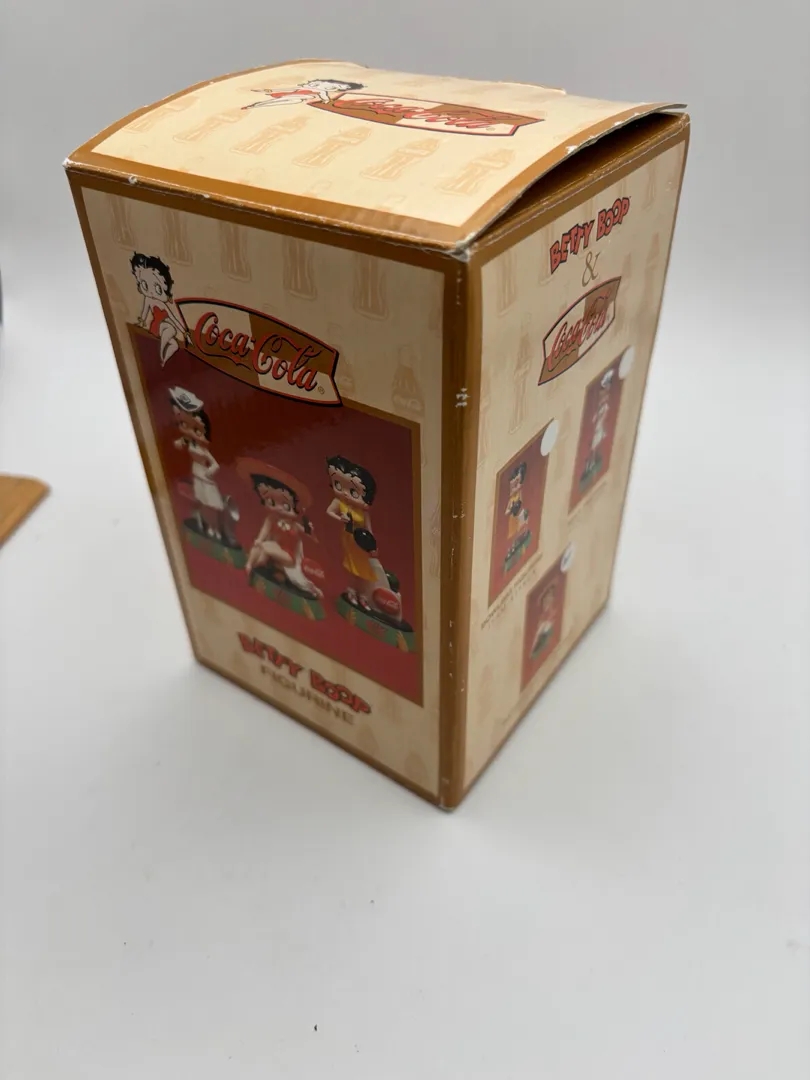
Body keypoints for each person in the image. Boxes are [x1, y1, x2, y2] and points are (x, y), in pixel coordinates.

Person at [170, 387, 237, 545]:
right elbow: (182, 442)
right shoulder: (190, 442)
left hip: (205, 477)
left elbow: (215, 464)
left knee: (213, 504)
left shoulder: (203, 450)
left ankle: (216, 529)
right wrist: (180, 441)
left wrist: (209, 472)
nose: (191, 432)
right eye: (183, 424)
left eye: (196, 430)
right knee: (201, 502)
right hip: (196, 475)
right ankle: (207, 527)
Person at [244, 469, 321, 599]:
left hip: (288, 555)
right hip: (275, 549)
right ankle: (251, 566)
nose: (279, 508)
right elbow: (264, 530)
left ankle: (254, 565)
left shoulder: (295, 525)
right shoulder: (271, 518)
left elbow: (313, 539)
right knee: (261, 546)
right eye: (272, 502)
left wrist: (311, 532)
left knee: (265, 546)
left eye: (285, 505)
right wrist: (259, 540)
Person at [131, 253, 188, 365]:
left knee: (175, 345)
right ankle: (161, 352)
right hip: (158, 326)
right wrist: (141, 322)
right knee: (171, 329)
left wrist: (184, 332)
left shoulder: (163, 304)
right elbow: (144, 313)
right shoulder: (148, 299)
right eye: (145, 285)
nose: (152, 292)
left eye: (158, 288)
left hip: (164, 329)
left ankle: (163, 361)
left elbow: (173, 318)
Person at [243, 78, 365, 111]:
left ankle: (256, 105)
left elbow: (324, 97)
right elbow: (288, 88)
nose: (334, 88)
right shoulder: (317, 89)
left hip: (298, 95)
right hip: (295, 95)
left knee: (295, 100)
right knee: (294, 99)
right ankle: (256, 105)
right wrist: (266, 90)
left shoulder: (319, 90)